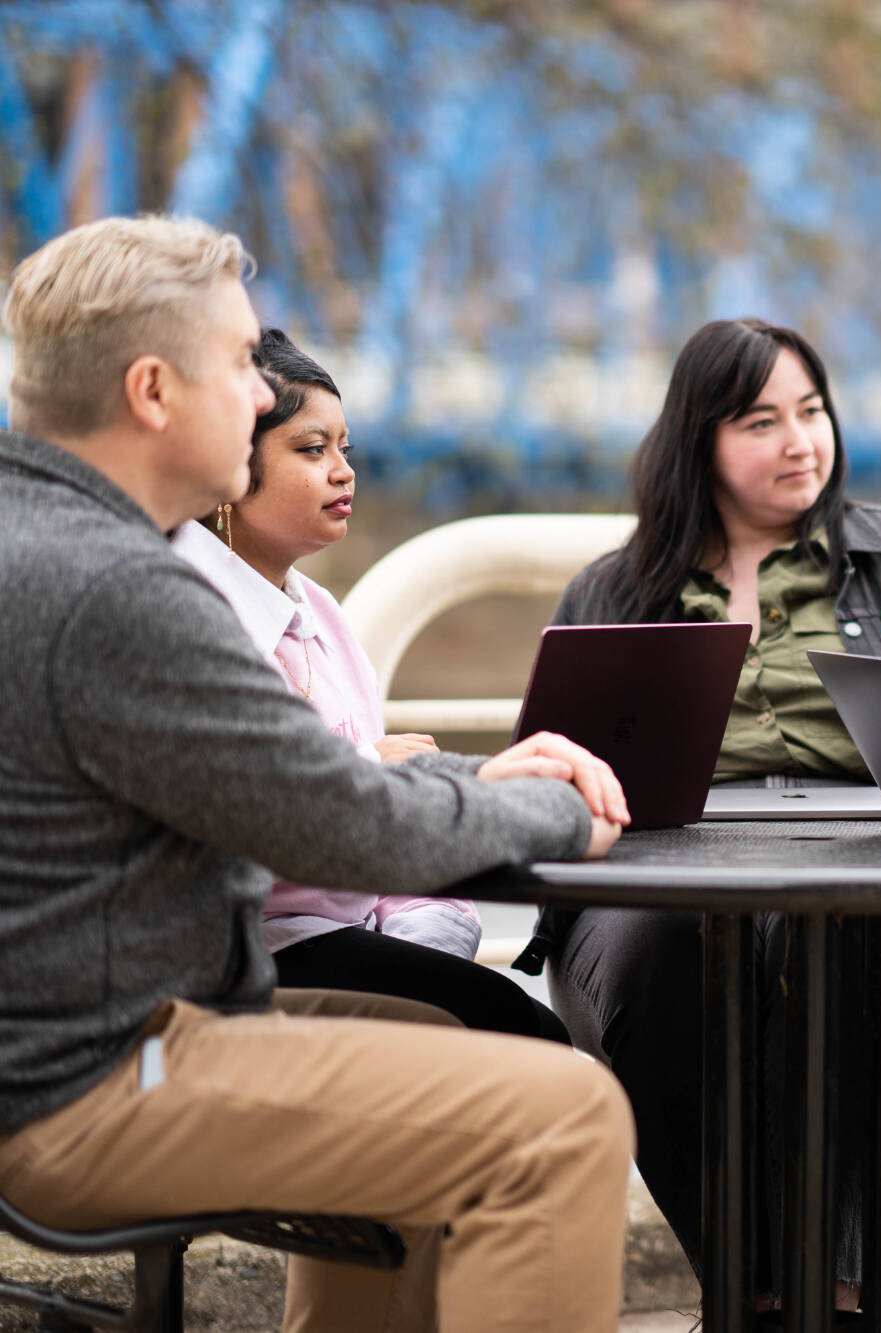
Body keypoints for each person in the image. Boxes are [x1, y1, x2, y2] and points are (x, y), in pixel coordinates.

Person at [0, 215, 638, 1333]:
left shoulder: (38, 534)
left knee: (434, 1040)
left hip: (88, 1034)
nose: (260, 395)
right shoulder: (118, 588)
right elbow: (340, 822)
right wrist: (544, 810)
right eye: (242, 363)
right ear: (153, 389)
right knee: (561, 1118)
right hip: (86, 1083)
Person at [512, 316, 881, 1311]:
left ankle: (820, 1294)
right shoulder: (615, 590)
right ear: (697, 439)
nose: (801, 440)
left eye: (813, 410)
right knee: (676, 956)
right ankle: (763, 1294)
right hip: (656, 889)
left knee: (840, 946)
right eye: (761, 420)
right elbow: (549, 769)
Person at [170, 327, 569, 1043]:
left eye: (344, 448)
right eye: (310, 448)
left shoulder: (321, 615)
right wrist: (368, 777)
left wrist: (422, 935)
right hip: (248, 953)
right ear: (233, 462)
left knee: (517, 1024)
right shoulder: (183, 611)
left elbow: (392, 838)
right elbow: (229, 815)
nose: (343, 471)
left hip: (344, 934)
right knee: (527, 1033)